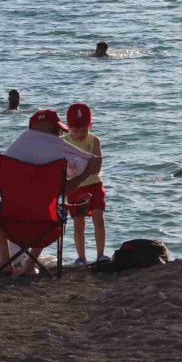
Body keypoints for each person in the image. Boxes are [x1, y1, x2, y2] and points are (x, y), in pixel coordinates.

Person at [0, 108, 102, 275]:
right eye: (56, 130)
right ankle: (29, 264)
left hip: (9, 220)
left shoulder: (15, 151)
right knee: (55, 210)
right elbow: (70, 187)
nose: (58, 134)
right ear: (48, 130)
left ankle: (5, 262)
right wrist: (86, 173)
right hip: (44, 223)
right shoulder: (58, 152)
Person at [62, 102, 108, 265]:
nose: (80, 134)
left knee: (98, 217)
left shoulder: (94, 140)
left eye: (84, 130)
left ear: (91, 126)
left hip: (94, 184)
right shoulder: (63, 142)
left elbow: (97, 167)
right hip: (76, 186)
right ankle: (81, 257)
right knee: (78, 221)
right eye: (75, 131)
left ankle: (100, 254)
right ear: (68, 127)